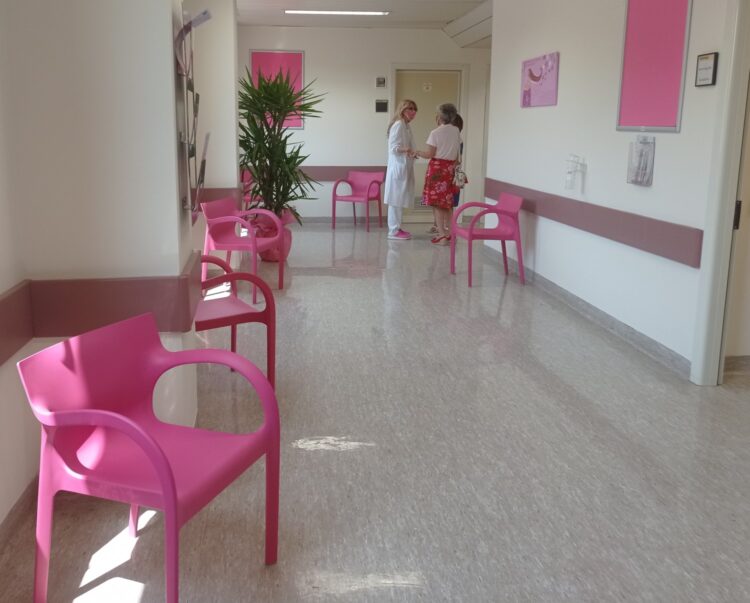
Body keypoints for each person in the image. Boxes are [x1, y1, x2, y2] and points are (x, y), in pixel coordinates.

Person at [414, 103, 461, 245]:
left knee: (437, 204)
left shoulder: (435, 133)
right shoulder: (456, 131)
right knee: (447, 203)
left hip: (437, 169)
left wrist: (416, 152)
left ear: (440, 116)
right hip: (449, 169)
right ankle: (451, 233)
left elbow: (429, 154)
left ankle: (442, 235)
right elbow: (457, 152)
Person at [383, 99, 418, 240]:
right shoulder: (398, 125)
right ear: (403, 110)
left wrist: (411, 152)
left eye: (415, 110)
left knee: (399, 199)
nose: (413, 112)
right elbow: (393, 148)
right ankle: (393, 231)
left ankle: (396, 227)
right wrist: (407, 150)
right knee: (395, 200)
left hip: (403, 167)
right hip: (398, 168)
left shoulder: (406, 126)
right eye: (410, 109)